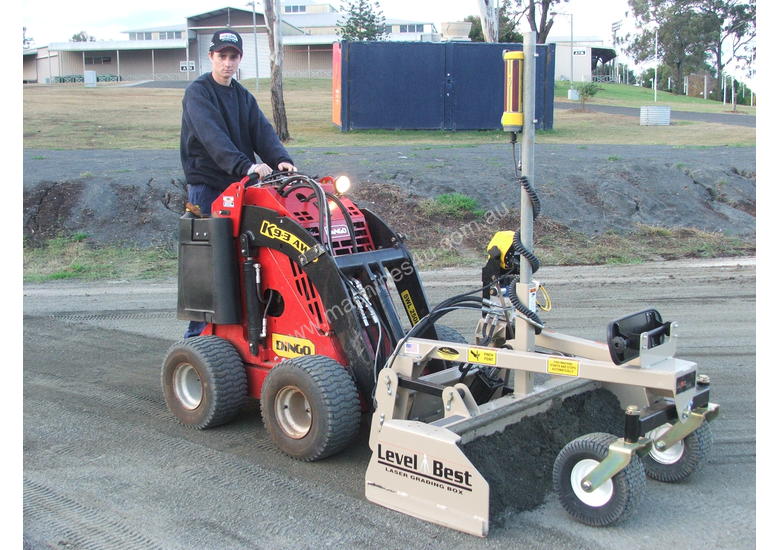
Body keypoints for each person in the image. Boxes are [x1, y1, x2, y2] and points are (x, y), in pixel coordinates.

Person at [180, 27, 296, 338]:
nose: (228, 62)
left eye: (233, 57)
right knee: (210, 264)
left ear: (240, 59)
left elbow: (262, 132)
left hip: (240, 187)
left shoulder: (242, 96)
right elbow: (212, 137)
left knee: (247, 259)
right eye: (222, 56)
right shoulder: (198, 93)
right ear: (211, 57)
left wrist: (281, 160)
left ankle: (239, 333)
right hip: (208, 187)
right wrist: (245, 165)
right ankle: (197, 338)